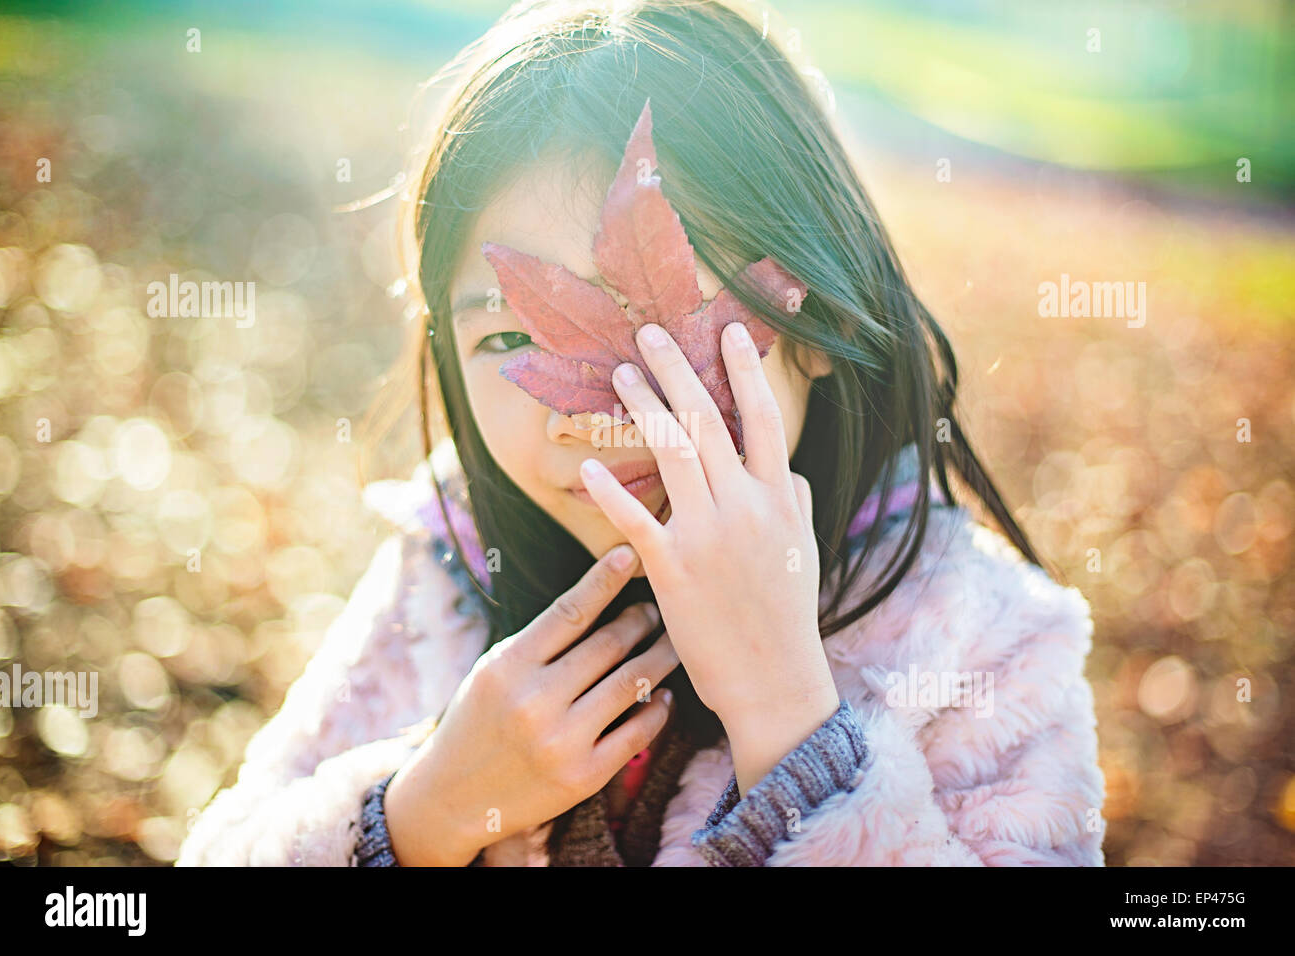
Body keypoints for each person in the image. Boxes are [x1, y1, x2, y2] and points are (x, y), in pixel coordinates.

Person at [177, 0, 1105, 867]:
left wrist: (788, 722)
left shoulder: (983, 643)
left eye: (667, 328)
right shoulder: (444, 581)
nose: (598, 412)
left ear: (818, 320)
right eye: (508, 336)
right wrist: (423, 812)